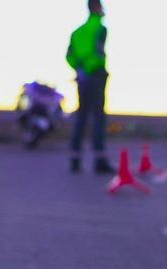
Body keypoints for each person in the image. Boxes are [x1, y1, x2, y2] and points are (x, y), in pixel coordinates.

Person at [66, 0, 112, 173]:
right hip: (96, 76)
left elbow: (69, 55)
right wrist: (92, 67)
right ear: (95, 7)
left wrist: (79, 68)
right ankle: (99, 161)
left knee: (81, 116)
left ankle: (75, 159)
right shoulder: (100, 28)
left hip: (82, 78)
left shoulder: (77, 32)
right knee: (98, 117)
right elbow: (99, 53)